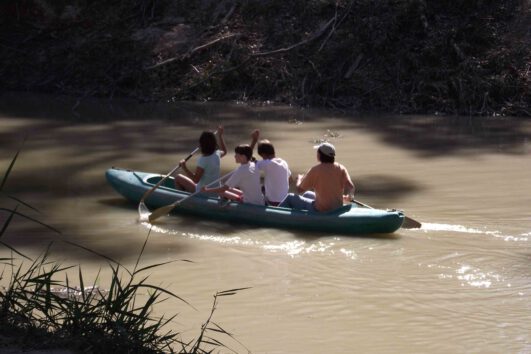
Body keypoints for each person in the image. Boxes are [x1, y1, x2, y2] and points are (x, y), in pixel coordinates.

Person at [279, 142, 354, 212]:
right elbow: (351, 187)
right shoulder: (341, 168)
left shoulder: (315, 170)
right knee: (307, 194)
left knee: (290, 197)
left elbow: (299, 189)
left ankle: (275, 214)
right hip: (337, 208)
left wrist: (299, 179)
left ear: (320, 155)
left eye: (318, 152)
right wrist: (349, 196)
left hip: (321, 210)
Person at [174, 126, 227, 193]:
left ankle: (181, 199)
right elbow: (224, 151)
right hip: (215, 190)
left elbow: (196, 180)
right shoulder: (217, 153)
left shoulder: (202, 160)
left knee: (178, 178)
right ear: (214, 143)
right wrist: (220, 136)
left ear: (201, 144)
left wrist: (184, 167)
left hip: (203, 192)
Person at [249, 129, 292, 206]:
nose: (262, 159)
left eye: (262, 157)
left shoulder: (267, 163)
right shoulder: (284, 162)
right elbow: (290, 180)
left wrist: (254, 140)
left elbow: (246, 158)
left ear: (264, 154)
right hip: (285, 200)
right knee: (263, 187)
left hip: (273, 202)